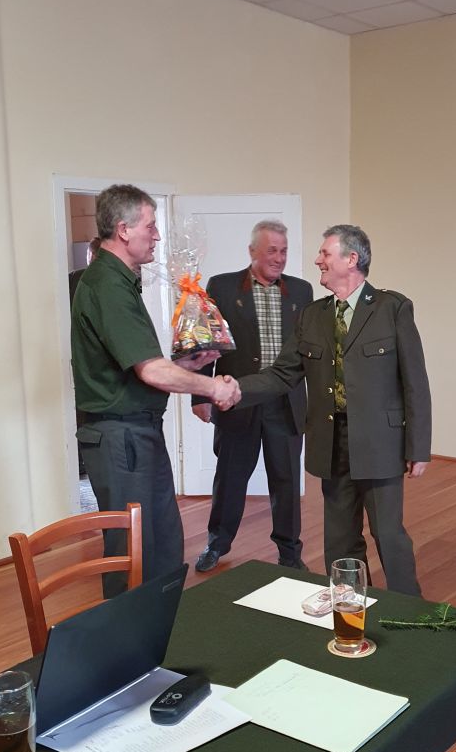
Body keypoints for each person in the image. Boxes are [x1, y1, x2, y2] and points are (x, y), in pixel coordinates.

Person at [236, 225, 431, 596]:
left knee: (388, 533)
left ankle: (409, 608)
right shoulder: (313, 315)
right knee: (339, 538)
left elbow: (415, 383)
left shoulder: (392, 308)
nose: (317, 260)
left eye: (325, 253)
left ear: (351, 259)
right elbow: (282, 374)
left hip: (380, 441)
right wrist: (233, 388)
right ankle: (349, 605)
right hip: (331, 441)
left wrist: (418, 447)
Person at [71, 184, 240, 597]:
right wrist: (212, 386)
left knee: (161, 544)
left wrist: (186, 366)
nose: (158, 236)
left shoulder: (121, 282)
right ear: (124, 229)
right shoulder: (107, 285)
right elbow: (150, 371)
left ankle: (161, 629)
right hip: (120, 438)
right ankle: (128, 637)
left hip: (136, 433)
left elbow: (139, 369)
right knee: (135, 556)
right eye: (151, 226)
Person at [192, 220, 313, 572]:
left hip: (286, 402)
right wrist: (200, 394)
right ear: (252, 251)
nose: (279, 258)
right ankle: (217, 543)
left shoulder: (301, 291)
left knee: (286, 481)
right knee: (230, 477)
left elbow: (309, 348)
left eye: (284, 251)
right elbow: (206, 341)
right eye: (271, 250)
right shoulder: (222, 286)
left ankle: (289, 552)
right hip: (237, 400)